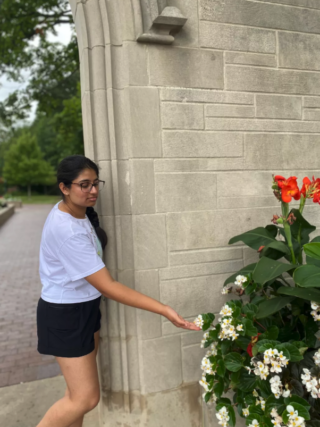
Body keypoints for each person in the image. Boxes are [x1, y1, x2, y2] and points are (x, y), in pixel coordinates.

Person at [36, 155, 200, 427]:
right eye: (84, 185)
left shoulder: (76, 214)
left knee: (75, 397)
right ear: (64, 188)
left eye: (95, 183)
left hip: (85, 308)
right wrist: (164, 309)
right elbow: (109, 286)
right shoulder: (65, 229)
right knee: (85, 399)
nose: (93, 191)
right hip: (65, 315)